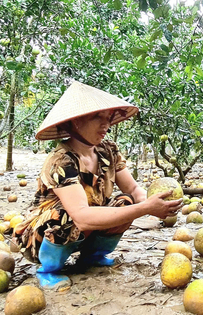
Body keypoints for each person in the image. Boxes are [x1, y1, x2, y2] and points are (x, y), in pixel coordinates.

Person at [14, 81, 182, 290]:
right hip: (43, 236)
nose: (106, 125)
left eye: (107, 118)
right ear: (75, 122)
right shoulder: (61, 161)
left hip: (85, 229)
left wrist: (151, 203)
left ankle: (92, 257)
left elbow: (132, 189)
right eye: (97, 118)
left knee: (125, 202)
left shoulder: (107, 151)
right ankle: (48, 269)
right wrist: (145, 209)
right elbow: (82, 218)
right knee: (63, 215)